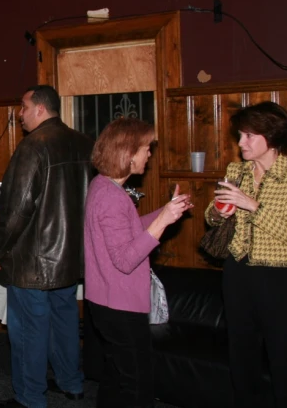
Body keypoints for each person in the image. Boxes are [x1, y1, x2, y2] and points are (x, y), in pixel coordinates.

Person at [0, 85, 93, 408]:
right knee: (64, 322)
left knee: (28, 331)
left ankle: (30, 398)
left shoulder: (33, 147)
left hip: (32, 261)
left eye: (23, 107)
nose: (19, 115)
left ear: (39, 109)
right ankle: (72, 383)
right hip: (69, 258)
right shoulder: (85, 143)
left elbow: (17, 209)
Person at [207, 101, 287, 408]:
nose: (241, 143)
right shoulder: (235, 171)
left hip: (280, 276)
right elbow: (213, 220)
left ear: (272, 137)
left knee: (286, 358)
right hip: (238, 272)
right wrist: (218, 210)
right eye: (240, 135)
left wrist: (251, 205)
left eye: (249, 136)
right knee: (242, 357)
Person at [84, 117, 192, 408]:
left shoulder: (103, 185)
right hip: (119, 305)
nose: (149, 154)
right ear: (128, 152)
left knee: (116, 377)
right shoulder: (112, 196)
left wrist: (165, 214)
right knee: (137, 386)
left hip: (106, 301)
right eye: (147, 148)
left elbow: (126, 229)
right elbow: (125, 259)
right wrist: (163, 221)